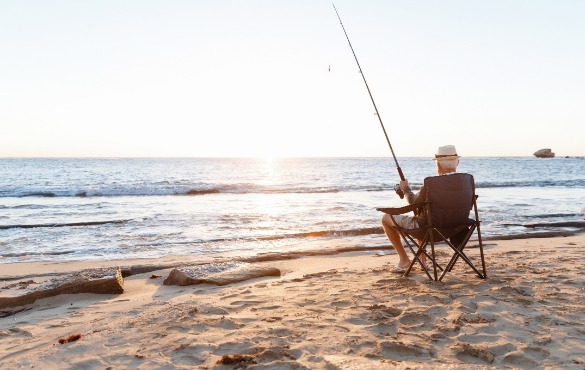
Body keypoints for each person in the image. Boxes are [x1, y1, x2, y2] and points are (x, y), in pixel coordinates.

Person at [381, 145, 461, 272]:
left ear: (438, 165)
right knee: (423, 214)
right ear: (458, 162)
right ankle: (423, 261)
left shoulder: (431, 184)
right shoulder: (466, 182)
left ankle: (404, 260)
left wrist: (405, 188)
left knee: (386, 218)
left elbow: (413, 203)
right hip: (455, 229)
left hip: (430, 231)